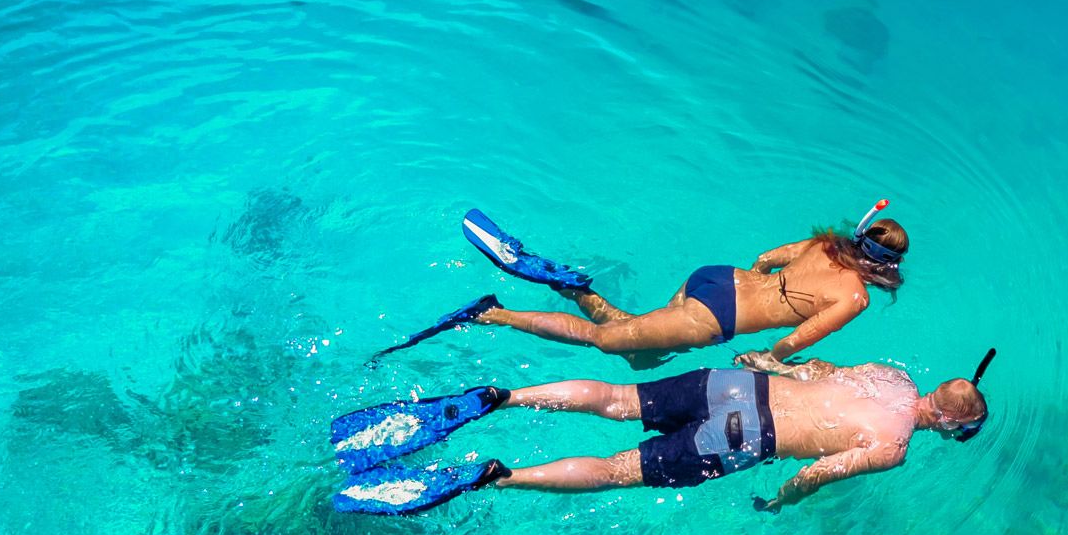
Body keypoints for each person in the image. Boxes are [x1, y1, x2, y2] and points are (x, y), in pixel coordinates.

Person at [329, 350, 996, 516]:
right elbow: (820, 471)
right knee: (620, 468)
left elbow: (818, 368)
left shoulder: (891, 375)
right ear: (955, 424)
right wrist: (783, 500)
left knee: (618, 398)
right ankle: (497, 475)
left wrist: (767, 362)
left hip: (741, 387)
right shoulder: (896, 446)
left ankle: (503, 396)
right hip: (744, 435)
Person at [370, 201, 909, 364]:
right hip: (715, 320)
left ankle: (575, 288)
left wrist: (767, 289)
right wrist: (770, 358)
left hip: (715, 280)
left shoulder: (824, 245)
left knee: (640, 348)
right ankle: (490, 312)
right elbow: (797, 340)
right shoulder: (855, 296)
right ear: (887, 267)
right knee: (606, 341)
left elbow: (766, 259)